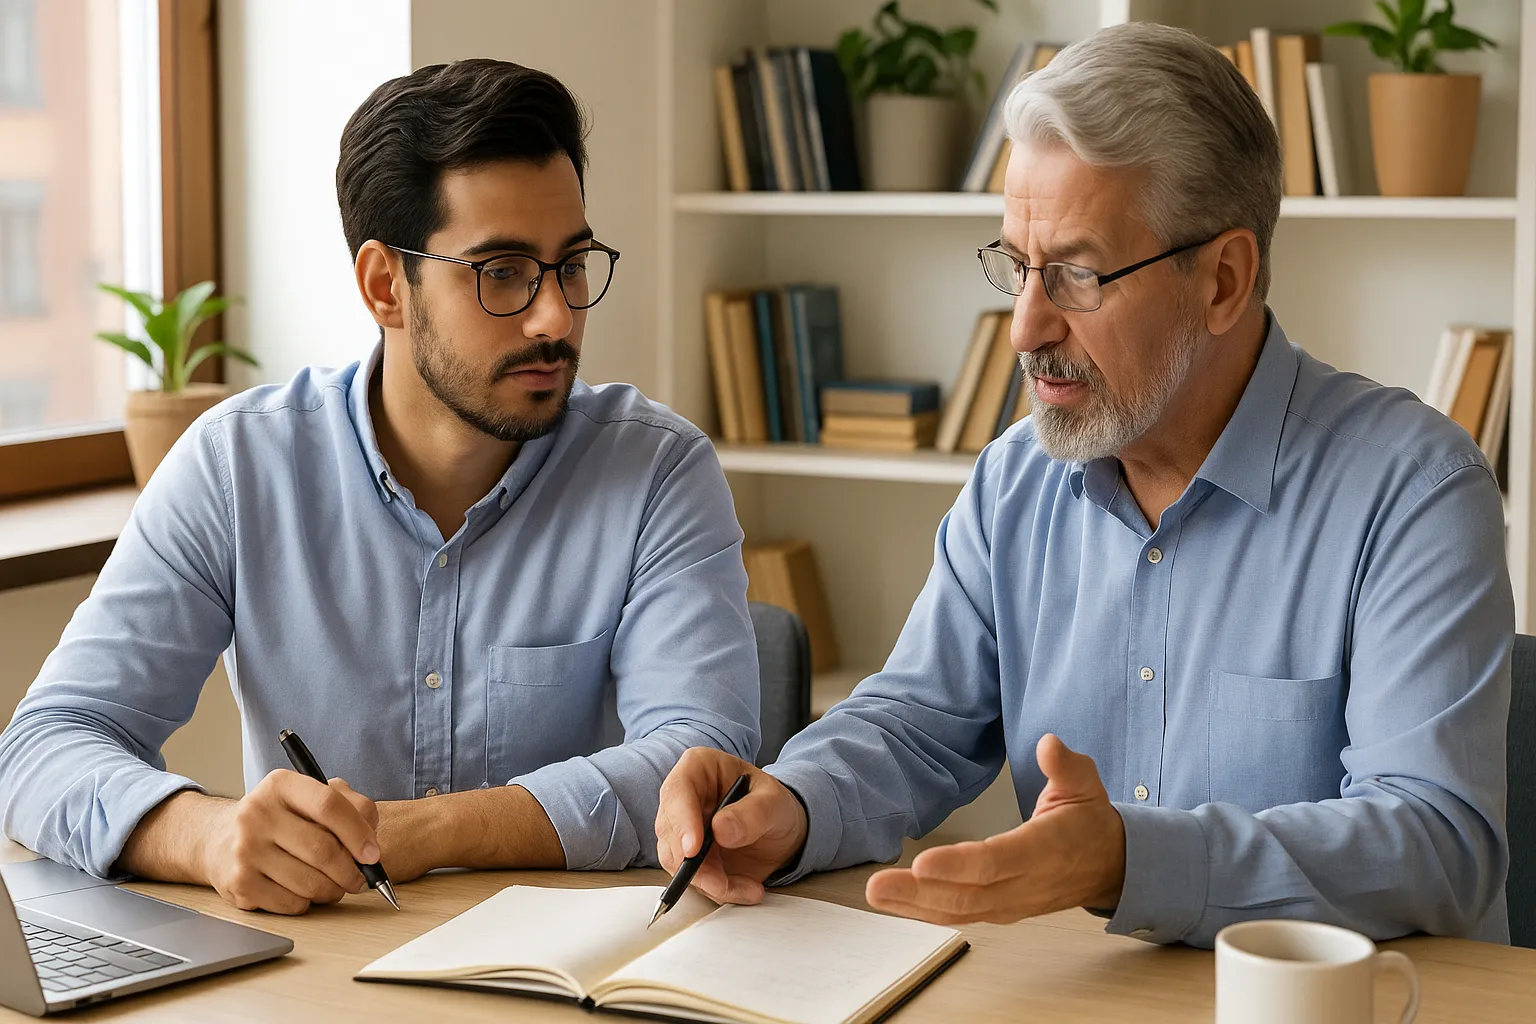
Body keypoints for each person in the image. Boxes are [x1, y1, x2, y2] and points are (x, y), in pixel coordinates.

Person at [654, 22, 1512, 948]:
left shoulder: (1413, 489)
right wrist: (788, 803)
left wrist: (1128, 861)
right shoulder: (1015, 479)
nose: (1024, 329)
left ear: (1224, 280)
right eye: (1019, 268)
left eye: (1075, 275)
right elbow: (912, 724)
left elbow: (1436, 842)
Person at [0, 59, 759, 915]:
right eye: (502, 272)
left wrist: (424, 831)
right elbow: (43, 746)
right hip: (316, 968)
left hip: (565, 964)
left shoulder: (657, 470)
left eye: (571, 264)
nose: (556, 316)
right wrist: (207, 835)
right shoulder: (237, 467)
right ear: (384, 286)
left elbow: (702, 761)